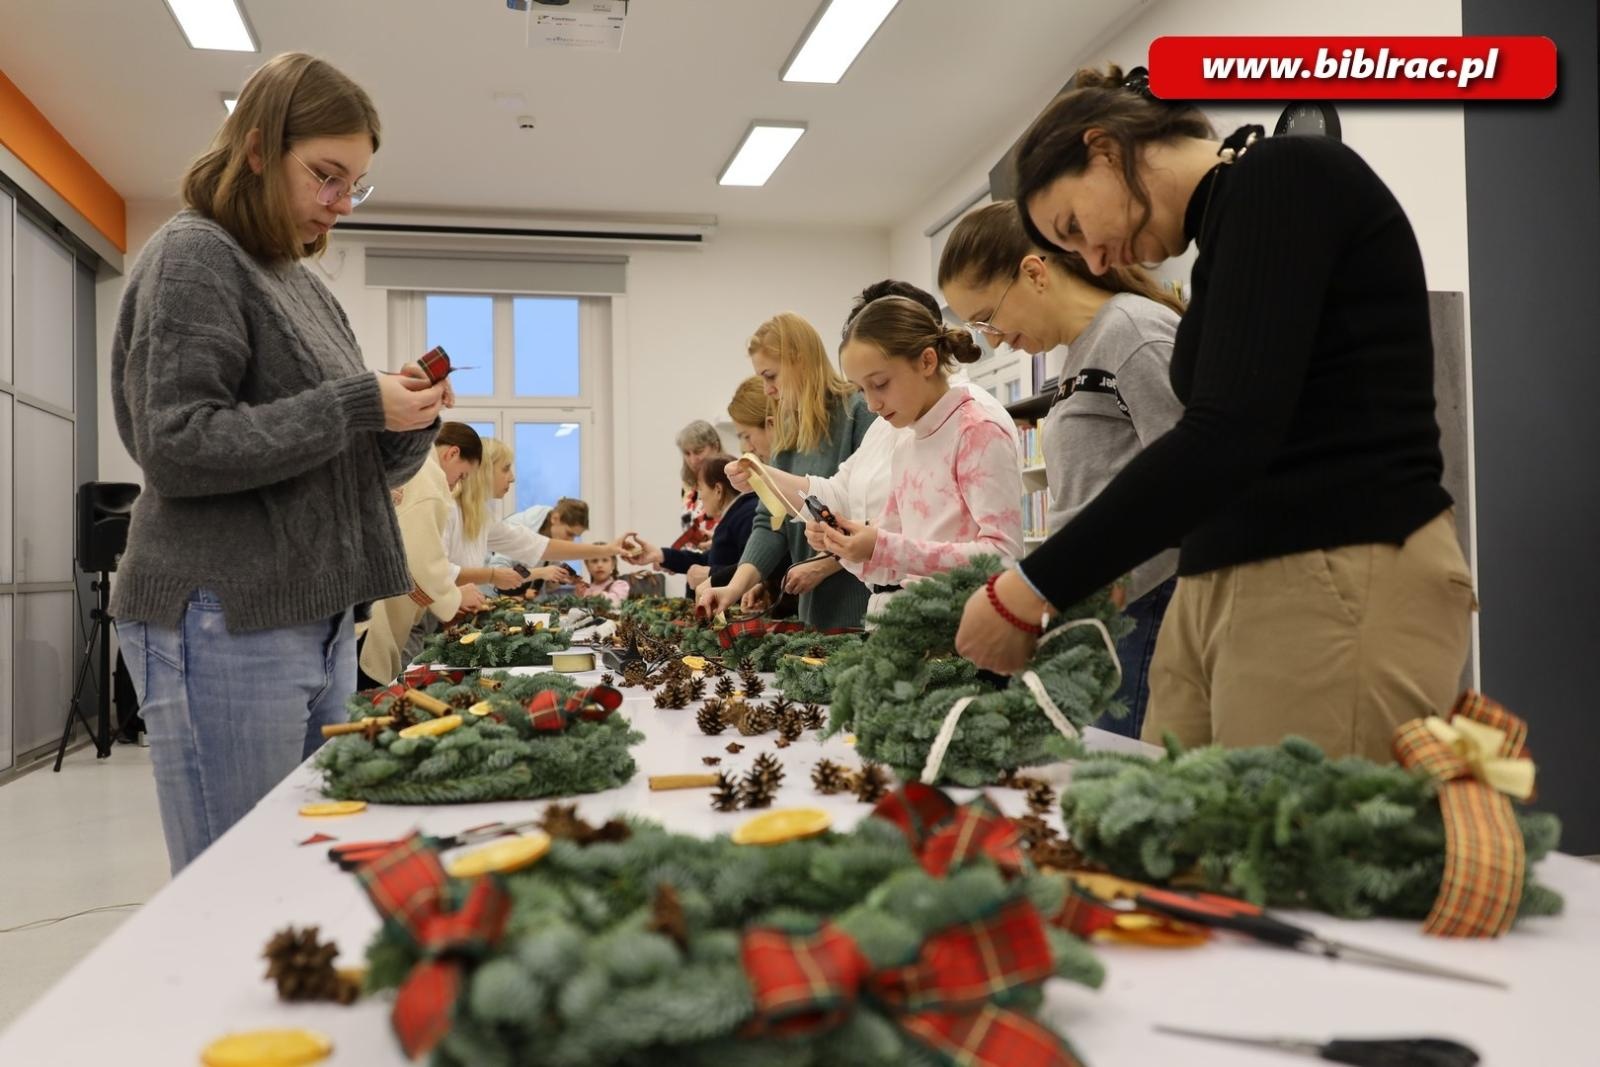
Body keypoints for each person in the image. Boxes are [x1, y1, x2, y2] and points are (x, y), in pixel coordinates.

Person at [955, 65, 1473, 763]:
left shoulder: (1284, 176)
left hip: (1339, 566)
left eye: (1075, 226)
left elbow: (1225, 434)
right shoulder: (1222, 245)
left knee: (1288, 857)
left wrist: (1033, 586)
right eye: (1068, 248)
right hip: (1232, 586)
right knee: (1182, 851)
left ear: (1105, 150)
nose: (1094, 257)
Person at [109, 54, 449, 873]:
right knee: (239, 886)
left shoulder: (300, 281)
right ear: (258, 149)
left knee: (295, 875)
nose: (338, 205)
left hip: (314, 616)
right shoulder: (196, 253)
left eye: (354, 186)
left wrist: (405, 418)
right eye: (325, 176)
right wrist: (355, 404)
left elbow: (344, 464)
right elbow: (178, 442)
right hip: (222, 617)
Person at [939, 200, 1185, 738]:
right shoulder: (1082, 351)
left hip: (1147, 604)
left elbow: (1188, 481)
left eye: (987, 317)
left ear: (1034, 273)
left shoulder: (1132, 331)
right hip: (1101, 607)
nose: (992, 339)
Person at [811, 296, 1023, 619]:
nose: (871, 404)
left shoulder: (976, 431)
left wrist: (882, 546)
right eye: (861, 390)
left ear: (926, 362)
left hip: (967, 634)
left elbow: (1002, 556)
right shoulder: (906, 444)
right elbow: (892, 568)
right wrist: (846, 547)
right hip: (911, 629)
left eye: (880, 384)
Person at [697, 313, 875, 629]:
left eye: (770, 376)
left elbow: (879, 518)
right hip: (815, 613)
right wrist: (734, 588)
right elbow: (770, 522)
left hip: (863, 607)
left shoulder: (858, 412)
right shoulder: (790, 432)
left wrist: (824, 566)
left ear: (799, 360)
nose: (767, 389)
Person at [359, 423, 487, 688]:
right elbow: (421, 558)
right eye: (462, 475)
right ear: (451, 454)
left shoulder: (411, 466)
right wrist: (454, 597)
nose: (456, 485)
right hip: (373, 618)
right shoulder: (427, 475)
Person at [624, 453, 756, 590]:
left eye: (701, 490)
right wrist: (660, 555)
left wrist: (712, 575)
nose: (700, 498)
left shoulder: (746, 515)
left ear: (718, 490)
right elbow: (706, 561)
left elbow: (754, 570)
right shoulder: (736, 515)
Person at [675, 420, 725, 550]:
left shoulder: (732, 482)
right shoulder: (688, 486)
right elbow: (690, 530)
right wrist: (668, 556)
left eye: (698, 451)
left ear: (716, 447)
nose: (692, 460)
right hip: (692, 563)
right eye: (687, 453)